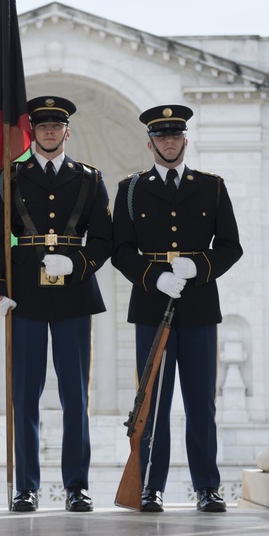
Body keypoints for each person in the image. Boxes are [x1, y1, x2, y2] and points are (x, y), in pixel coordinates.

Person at [0, 96, 113, 513]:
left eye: (57, 126)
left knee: (76, 395)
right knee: (26, 394)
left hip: (74, 293)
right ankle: (27, 486)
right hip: (26, 293)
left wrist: (77, 263)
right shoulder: (11, 177)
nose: (50, 132)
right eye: (43, 126)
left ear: (67, 131)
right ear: (33, 132)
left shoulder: (90, 179)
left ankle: (77, 485)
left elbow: (105, 239)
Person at [112, 104, 243, 513]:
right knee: (153, 400)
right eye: (161, 137)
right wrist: (155, 276)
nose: (169, 142)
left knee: (201, 402)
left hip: (199, 306)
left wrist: (198, 266)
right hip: (152, 305)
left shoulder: (211, 187)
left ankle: (207, 485)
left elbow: (230, 246)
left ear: (185, 140)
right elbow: (120, 251)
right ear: (150, 143)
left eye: (175, 136)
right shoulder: (130, 188)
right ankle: (151, 485)